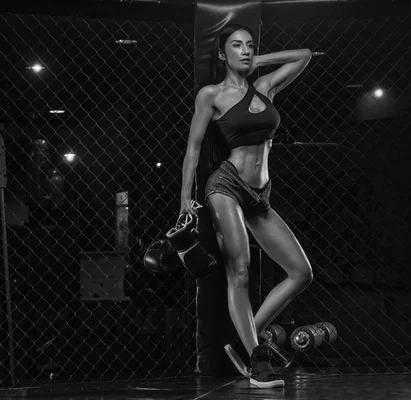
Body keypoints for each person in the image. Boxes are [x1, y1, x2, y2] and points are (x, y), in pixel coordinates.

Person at [179, 23, 314, 388]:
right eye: (236, 46)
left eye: (249, 46)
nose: (244, 51)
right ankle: (259, 365)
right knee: (239, 271)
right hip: (225, 186)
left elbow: (303, 56)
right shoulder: (212, 94)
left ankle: (248, 343)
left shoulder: (265, 86)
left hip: (261, 195)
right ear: (222, 55)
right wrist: (183, 199)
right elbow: (193, 147)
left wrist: (259, 61)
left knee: (301, 273)